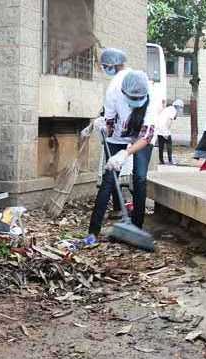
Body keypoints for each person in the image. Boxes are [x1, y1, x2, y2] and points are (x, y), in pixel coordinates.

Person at [88, 70, 156, 238]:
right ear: (124, 93)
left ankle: (136, 228)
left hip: (140, 139)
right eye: (132, 99)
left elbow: (146, 137)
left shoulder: (151, 98)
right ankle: (93, 232)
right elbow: (109, 124)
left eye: (140, 98)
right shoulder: (113, 94)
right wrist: (103, 126)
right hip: (118, 137)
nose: (137, 101)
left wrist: (125, 154)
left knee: (139, 178)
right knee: (109, 179)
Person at [81, 48, 130, 217]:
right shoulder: (134, 77)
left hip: (119, 136)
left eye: (104, 66)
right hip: (136, 135)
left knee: (110, 177)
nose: (104, 69)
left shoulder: (114, 85)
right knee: (126, 177)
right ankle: (121, 211)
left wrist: (104, 129)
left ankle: (94, 227)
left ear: (111, 65)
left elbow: (109, 117)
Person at [155, 99, 184, 165]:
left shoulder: (169, 108)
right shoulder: (173, 110)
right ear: (178, 107)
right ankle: (170, 160)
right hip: (164, 129)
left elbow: (161, 114)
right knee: (169, 145)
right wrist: (166, 131)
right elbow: (169, 121)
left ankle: (161, 161)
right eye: (181, 108)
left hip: (158, 128)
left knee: (161, 146)